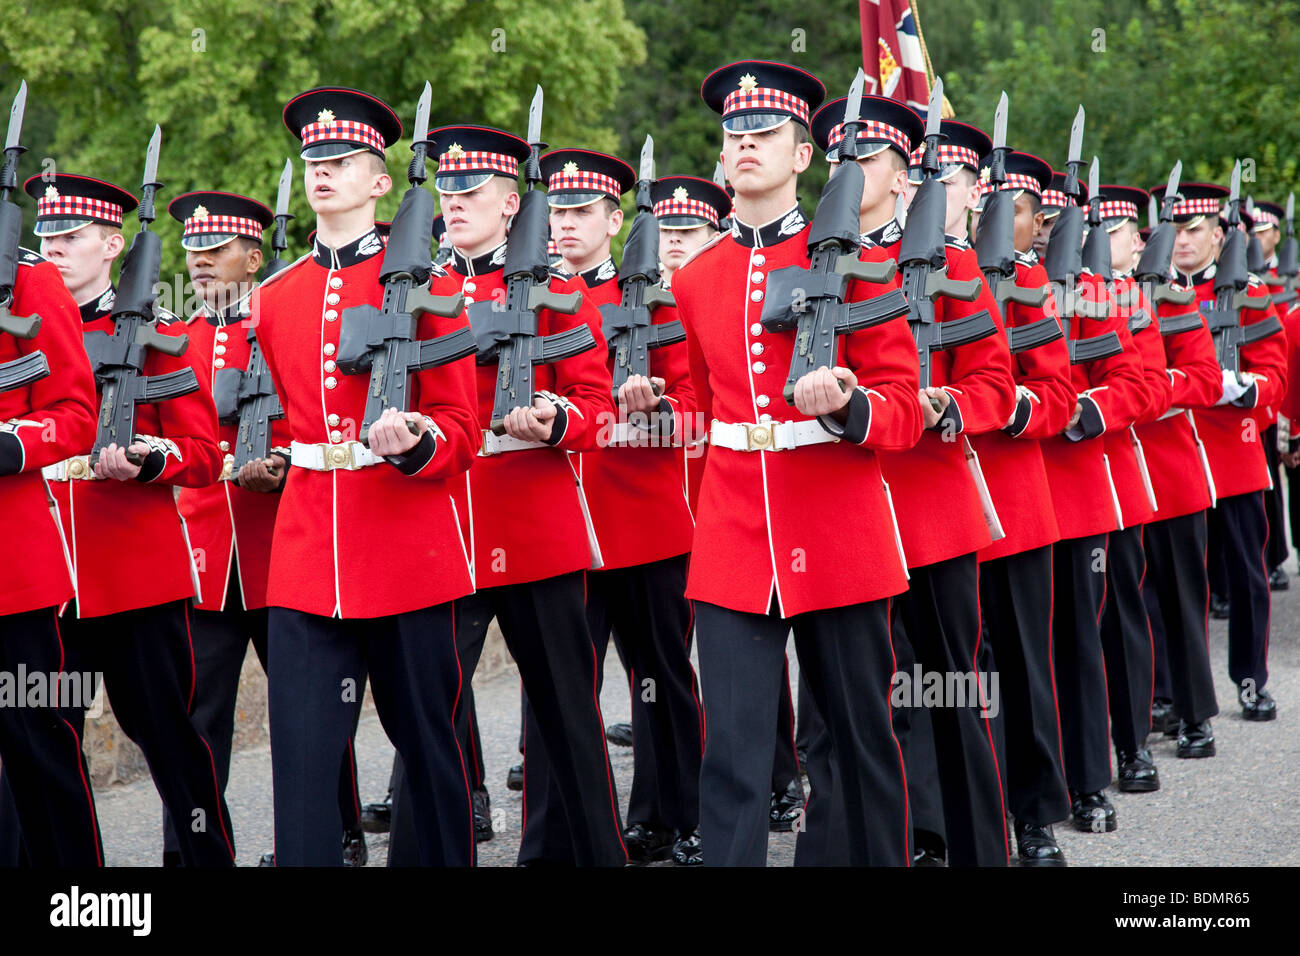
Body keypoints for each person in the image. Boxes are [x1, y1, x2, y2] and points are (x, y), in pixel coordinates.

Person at [675, 59, 923, 866]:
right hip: (735, 531)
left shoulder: (852, 262)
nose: (745, 146)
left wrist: (850, 406)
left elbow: (902, 407)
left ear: (803, 156)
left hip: (838, 518)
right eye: (733, 134)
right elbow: (701, 408)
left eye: (766, 134)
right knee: (735, 755)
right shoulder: (696, 277)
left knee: (857, 740)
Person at [253, 87, 480, 865]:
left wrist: (417, 444)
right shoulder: (275, 296)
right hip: (310, 551)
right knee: (304, 766)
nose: (323, 171)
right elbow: (288, 417)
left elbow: (462, 428)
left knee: (430, 749)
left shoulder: (431, 287)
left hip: (407, 545)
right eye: (313, 158)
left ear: (381, 181)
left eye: (343, 160)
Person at [395, 121, 626, 867]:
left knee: (565, 714)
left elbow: (599, 407)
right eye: (447, 191)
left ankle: (583, 854)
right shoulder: (413, 290)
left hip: (532, 518)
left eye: (473, 192)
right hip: (444, 520)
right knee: (431, 715)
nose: (454, 204)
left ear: (509, 205)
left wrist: (557, 418)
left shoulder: (557, 289)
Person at [804, 101, 1017, 867]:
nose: (844, 173)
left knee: (948, 685)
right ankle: (886, 841)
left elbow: (994, 383)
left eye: (863, 160)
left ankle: (973, 845)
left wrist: (944, 405)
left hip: (927, 501)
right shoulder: (812, 263)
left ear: (902, 178)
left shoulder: (949, 265)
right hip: (837, 507)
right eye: (834, 159)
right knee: (846, 700)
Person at [18, 171, 234, 866]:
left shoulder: (160, 333)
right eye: (45, 235)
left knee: (170, 740)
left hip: (135, 581)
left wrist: (149, 460)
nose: (53, 249)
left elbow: (205, 454)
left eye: (72, 237)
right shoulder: (18, 329)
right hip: (47, 584)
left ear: (112, 244)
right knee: (42, 745)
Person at [165, 189, 367, 867]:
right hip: (204, 558)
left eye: (215, 250)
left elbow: (313, 416)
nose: (198, 262)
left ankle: (336, 834)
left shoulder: (281, 318)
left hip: (277, 549)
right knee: (198, 723)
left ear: (254, 257)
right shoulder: (173, 339)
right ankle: (194, 852)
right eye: (192, 251)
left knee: (312, 720)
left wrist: (278, 459)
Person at [539, 147, 705, 864]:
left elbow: (698, 410)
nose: (566, 224)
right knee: (562, 687)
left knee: (661, 676)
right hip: (563, 521)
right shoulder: (532, 297)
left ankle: (683, 814)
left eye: (581, 212)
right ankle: (571, 832)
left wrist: (658, 405)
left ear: (614, 220)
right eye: (558, 211)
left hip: (643, 513)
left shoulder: (655, 299)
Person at [968, 149, 1076, 864]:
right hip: (928, 506)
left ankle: (1031, 813)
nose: (994, 221)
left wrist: (1006, 407)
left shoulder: (1031, 286)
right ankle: (946, 817)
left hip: (1011, 502)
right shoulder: (925, 273)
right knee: (937, 680)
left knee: (1020, 667)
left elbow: (1061, 396)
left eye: (1012, 212)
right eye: (985, 207)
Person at [1033, 174, 1146, 832]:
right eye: (1033, 219)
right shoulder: (989, 286)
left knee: (1078, 638)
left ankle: (1088, 780)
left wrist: (1082, 411)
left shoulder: (1091, 292)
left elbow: (1130, 382)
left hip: (1074, 487)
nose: (1045, 232)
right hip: (1005, 494)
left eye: (1053, 220)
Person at [1160, 182, 1287, 724]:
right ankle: (1168, 689)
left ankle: (1251, 680)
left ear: (1217, 235)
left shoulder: (1248, 290)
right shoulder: (1150, 289)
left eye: (1194, 231)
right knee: (1171, 580)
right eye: (1175, 231)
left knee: (1246, 574)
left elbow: (1275, 374)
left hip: (1230, 450)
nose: (1183, 242)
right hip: (1173, 447)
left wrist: (1245, 388)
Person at [0, 205, 101, 867]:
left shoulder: (28, 279)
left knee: (39, 750)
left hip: (11, 568)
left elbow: (75, 413)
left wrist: (11, 443)